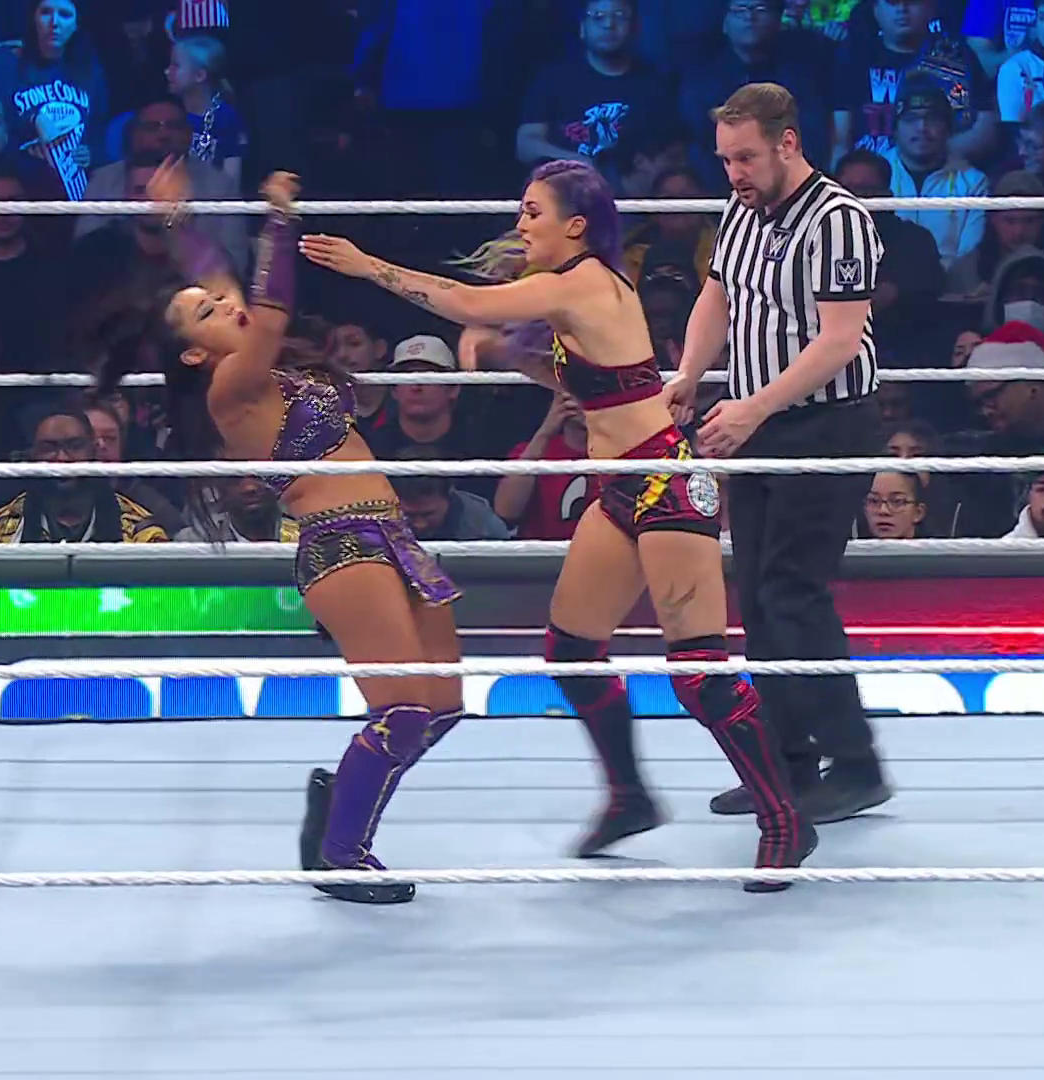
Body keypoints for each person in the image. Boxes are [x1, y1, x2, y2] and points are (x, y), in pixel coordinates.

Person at [302, 158, 816, 890]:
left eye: (533, 212)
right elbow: (591, 380)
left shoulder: (584, 281)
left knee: (699, 673)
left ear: (575, 226)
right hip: (619, 487)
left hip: (666, 483)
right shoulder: (574, 293)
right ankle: (629, 795)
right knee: (573, 651)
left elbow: (464, 302)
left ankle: (784, 822)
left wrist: (366, 267)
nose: (521, 224)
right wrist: (516, 356)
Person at [107, 171, 464, 906]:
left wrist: (179, 223)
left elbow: (221, 281)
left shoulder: (259, 367)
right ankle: (341, 854)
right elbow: (267, 313)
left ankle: (342, 797)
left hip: (392, 533)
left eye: (219, 301)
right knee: (401, 711)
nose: (224, 305)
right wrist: (278, 220)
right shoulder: (230, 388)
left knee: (441, 705)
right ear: (194, 354)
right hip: (341, 544)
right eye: (206, 314)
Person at [666, 82, 893, 825]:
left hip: (828, 425)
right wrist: (689, 374)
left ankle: (856, 765)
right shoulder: (742, 209)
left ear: (787, 143)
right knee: (759, 597)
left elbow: (840, 340)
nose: (734, 172)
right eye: (726, 159)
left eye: (746, 157)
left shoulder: (839, 220)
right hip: (758, 423)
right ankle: (786, 765)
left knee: (794, 591)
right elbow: (718, 297)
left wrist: (754, 406)